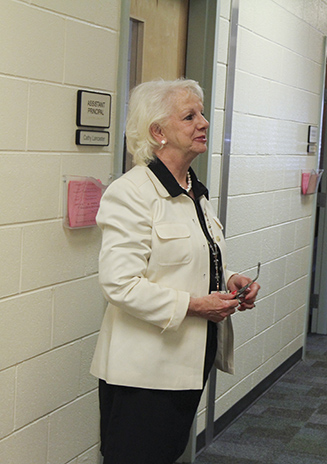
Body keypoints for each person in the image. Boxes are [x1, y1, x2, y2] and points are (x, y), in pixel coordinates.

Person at [91, 78, 260, 464]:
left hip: (185, 363)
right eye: (189, 116)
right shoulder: (131, 192)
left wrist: (229, 279)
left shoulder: (193, 191)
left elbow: (188, 259)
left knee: (165, 453)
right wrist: (195, 306)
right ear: (158, 132)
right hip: (143, 373)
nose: (203, 123)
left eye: (201, 113)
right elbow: (119, 283)